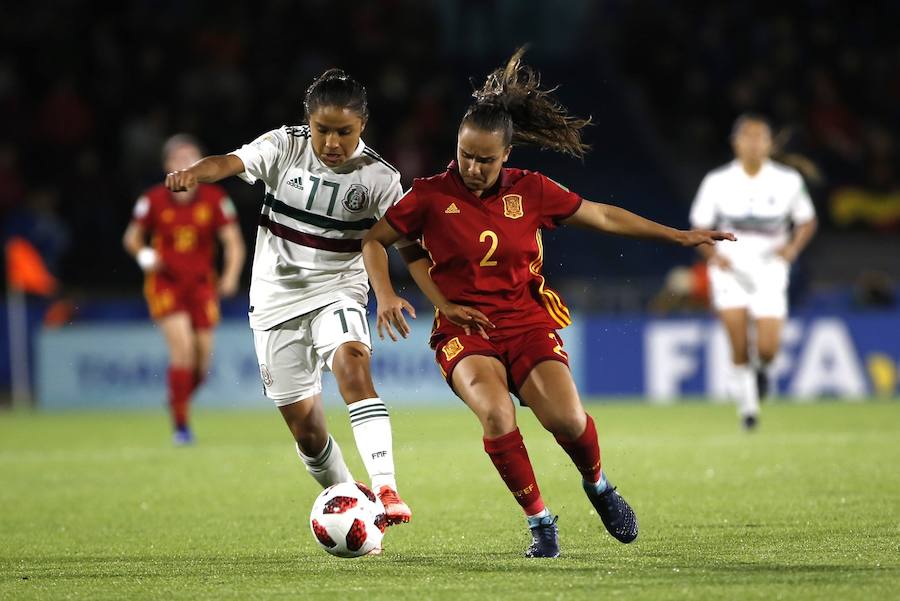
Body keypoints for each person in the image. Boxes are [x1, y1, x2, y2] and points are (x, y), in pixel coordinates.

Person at [361, 48, 734, 558]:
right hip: (464, 332)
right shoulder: (429, 194)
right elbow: (373, 241)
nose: (472, 166)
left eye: (485, 159)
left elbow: (602, 217)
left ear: (506, 155)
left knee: (569, 422)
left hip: (527, 323)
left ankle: (598, 485)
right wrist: (386, 294)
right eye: (465, 154)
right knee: (495, 414)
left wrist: (677, 236)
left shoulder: (532, 191)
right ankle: (540, 521)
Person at [163, 69, 412, 527]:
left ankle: (385, 489)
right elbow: (228, 162)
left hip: (339, 289)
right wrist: (196, 173)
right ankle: (352, 499)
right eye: (323, 130)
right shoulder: (284, 146)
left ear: (363, 127)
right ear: (308, 122)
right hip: (275, 301)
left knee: (353, 363)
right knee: (308, 432)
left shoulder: (380, 179)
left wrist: (391, 292)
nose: (332, 142)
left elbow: (406, 243)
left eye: (345, 132)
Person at [690, 114, 817, 430]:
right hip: (730, 268)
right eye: (748, 136)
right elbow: (699, 227)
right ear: (735, 142)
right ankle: (748, 411)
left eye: (760, 137)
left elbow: (807, 220)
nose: (754, 143)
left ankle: (762, 370)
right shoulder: (717, 181)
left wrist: (792, 250)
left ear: (770, 143)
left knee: (768, 348)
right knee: (737, 340)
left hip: (770, 268)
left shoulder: (787, 180)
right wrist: (713, 255)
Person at [124, 134, 246, 445]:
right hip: (166, 283)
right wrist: (144, 254)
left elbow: (233, 242)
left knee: (202, 365)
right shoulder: (152, 199)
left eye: (192, 159)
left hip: (202, 285)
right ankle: (181, 428)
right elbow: (132, 238)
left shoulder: (215, 199)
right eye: (179, 159)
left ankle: (177, 400)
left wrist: (230, 276)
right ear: (168, 166)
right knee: (183, 353)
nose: (186, 165)